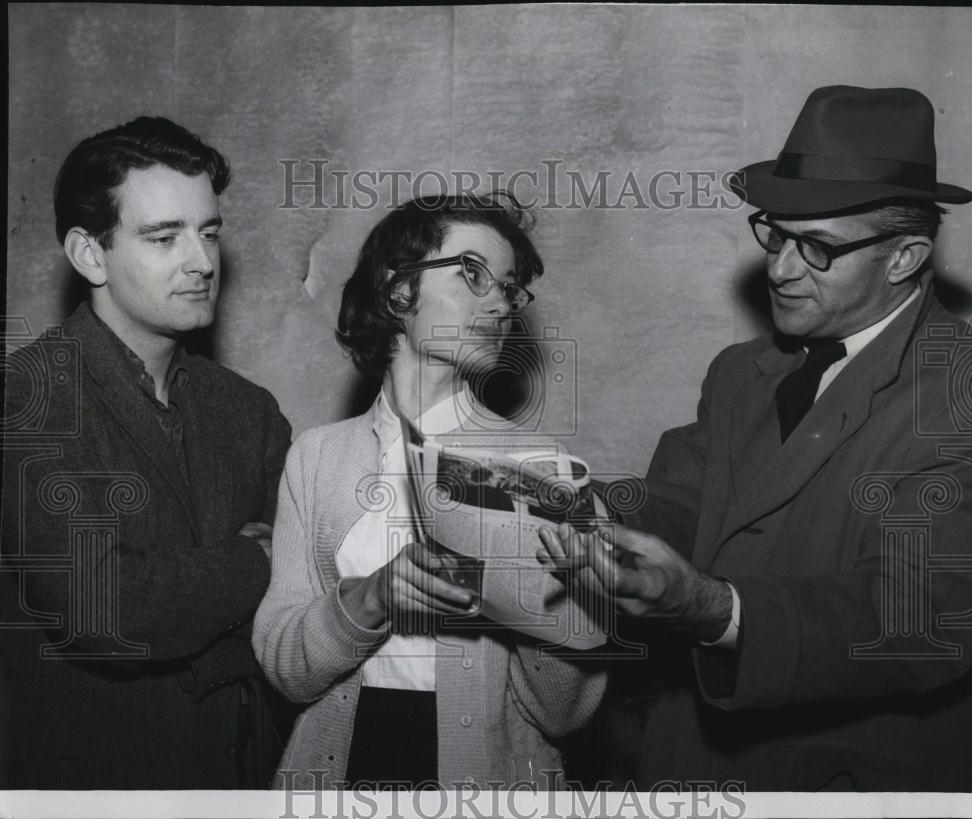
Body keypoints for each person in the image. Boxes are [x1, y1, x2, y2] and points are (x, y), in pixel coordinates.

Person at [538, 86, 972, 791]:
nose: (780, 269)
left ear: (905, 257)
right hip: (690, 769)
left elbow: (918, 622)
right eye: (776, 234)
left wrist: (715, 607)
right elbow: (684, 504)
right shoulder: (741, 371)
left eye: (816, 247)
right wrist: (574, 506)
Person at [253, 192, 606, 790]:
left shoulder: (544, 469)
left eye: (509, 287)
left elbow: (564, 714)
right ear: (399, 289)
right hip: (336, 774)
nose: (499, 301)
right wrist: (368, 600)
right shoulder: (316, 457)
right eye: (473, 273)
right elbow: (286, 669)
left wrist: (560, 601)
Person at [0, 116, 292, 788]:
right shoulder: (29, 396)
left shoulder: (249, 410)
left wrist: (187, 595)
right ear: (89, 254)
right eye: (165, 237)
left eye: (209, 232)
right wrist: (255, 558)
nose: (203, 261)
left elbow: (300, 604)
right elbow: (104, 607)